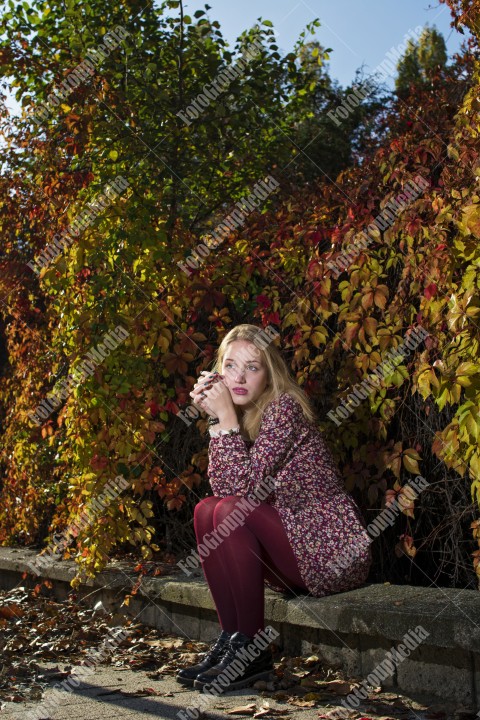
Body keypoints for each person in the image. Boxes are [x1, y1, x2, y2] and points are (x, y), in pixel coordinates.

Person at [175, 323, 371, 694]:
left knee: (230, 507)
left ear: (270, 373)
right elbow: (223, 491)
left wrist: (224, 420)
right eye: (231, 366)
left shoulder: (284, 408)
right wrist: (220, 420)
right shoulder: (243, 415)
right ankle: (234, 639)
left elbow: (242, 494)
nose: (240, 377)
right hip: (291, 547)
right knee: (205, 509)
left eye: (253, 367)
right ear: (218, 372)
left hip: (329, 549)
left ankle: (252, 651)